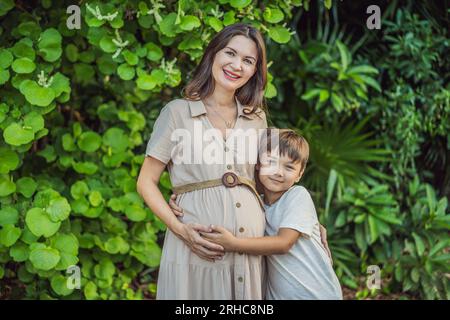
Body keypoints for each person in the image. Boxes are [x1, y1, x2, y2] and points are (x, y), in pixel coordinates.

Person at [137, 23, 270, 299]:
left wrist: (301, 222)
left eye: (248, 60)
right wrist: (181, 230)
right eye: (230, 54)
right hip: (194, 248)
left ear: (255, 71)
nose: (237, 65)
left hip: (248, 249)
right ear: (213, 54)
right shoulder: (177, 113)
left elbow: (267, 183)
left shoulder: (256, 118)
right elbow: (146, 182)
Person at [200, 129, 343, 299]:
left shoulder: (297, 195)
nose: (278, 172)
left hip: (316, 294)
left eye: (289, 167)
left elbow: (284, 243)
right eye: (271, 162)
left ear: (300, 173)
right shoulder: (255, 202)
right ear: (258, 164)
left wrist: (234, 244)